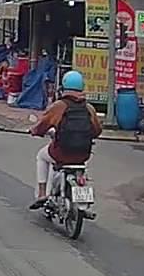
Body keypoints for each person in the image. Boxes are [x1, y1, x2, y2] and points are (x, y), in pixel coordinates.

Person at [28, 71, 102, 209]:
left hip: (61, 153)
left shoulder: (59, 106)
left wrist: (34, 131)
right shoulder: (89, 108)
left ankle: (42, 193)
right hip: (83, 155)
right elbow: (97, 130)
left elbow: (42, 125)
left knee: (42, 156)